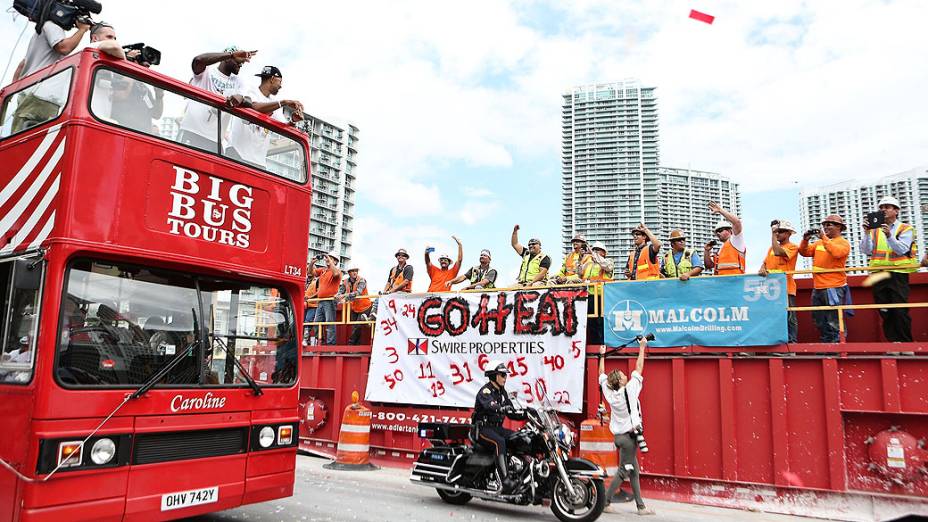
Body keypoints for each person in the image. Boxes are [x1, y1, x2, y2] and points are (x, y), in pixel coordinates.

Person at [598, 337, 655, 516]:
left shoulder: (610, 393)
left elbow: (601, 376)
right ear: (621, 381)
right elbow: (638, 368)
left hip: (620, 437)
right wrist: (642, 347)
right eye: (623, 375)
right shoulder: (629, 390)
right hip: (629, 438)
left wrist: (601, 356)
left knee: (633, 471)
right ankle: (604, 502)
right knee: (624, 471)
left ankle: (641, 507)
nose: (625, 374)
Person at [859, 196, 918, 342]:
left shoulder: (906, 228)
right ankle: (893, 342)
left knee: (899, 309)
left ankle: (905, 343)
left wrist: (889, 236)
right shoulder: (874, 230)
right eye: (881, 207)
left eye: (888, 207)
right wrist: (866, 233)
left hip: (898, 273)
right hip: (879, 273)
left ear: (896, 211)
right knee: (884, 309)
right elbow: (866, 250)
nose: (883, 209)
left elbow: (901, 249)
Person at [177, 46, 256, 151]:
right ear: (227, 59)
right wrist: (231, 55)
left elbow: (249, 102)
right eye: (238, 61)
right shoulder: (207, 72)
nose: (241, 64)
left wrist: (241, 98)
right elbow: (198, 60)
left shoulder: (239, 81)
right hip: (191, 131)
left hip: (214, 140)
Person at [224, 66, 305, 168]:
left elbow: (284, 127)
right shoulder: (250, 91)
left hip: (258, 161)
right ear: (272, 79)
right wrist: (284, 102)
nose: (281, 86)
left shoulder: (275, 104)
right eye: (280, 82)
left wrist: (293, 120)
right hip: (237, 153)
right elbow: (254, 107)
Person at [799, 215, 851, 343]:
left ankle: (838, 345)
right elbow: (804, 252)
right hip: (818, 287)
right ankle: (826, 345)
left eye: (829, 224)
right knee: (819, 319)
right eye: (825, 225)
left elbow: (836, 253)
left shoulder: (843, 243)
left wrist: (824, 238)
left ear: (839, 227)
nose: (826, 227)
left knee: (833, 319)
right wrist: (805, 240)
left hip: (833, 287)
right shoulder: (819, 243)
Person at [473, 361, 522, 493]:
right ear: (494, 375)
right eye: (502, 375)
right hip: (482, 430)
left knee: (519, 438)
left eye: (505, 375)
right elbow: (490, 405)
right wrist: (502, 408)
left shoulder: (502, 392)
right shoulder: (485, 391)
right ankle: (505, 481)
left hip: (497, 429)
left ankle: (519, 472)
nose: (505, 378)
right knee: (498, 442)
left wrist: (527, 413)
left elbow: (511, 411)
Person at [758, 220, 800, 343]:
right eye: (777, 231)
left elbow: (778, 252)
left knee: (789, 318)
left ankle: (791, 344)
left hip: (786, 289)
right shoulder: (771, 248)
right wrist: (762, 269)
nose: (778, 234)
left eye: (781, 232)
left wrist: (773, 235)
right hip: (771, 290)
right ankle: (776, 342)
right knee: (773, 317)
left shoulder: (792, 247)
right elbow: (765, 263)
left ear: (789, 233)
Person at [14, 17, 90, 81]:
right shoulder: (52, 26)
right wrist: (82, 29)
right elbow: (64, 48)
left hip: (27, 87)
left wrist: (11, 93)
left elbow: (22, 65)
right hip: (39, 90)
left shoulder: (41, 30)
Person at [582, 241, 614, 345]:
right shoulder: (589, 264)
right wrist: (581, 258)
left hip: (602, 296)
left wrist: (594, 254)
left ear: (604, 253)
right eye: (594, 250)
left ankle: (602, 344)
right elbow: (579, 273)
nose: (594, 252)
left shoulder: (608, 261)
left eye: (597, 250)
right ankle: (592, 344)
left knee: (601, 321)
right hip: (589, 296)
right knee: (590, 321)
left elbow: (607, 266)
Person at [703, 202, 746, 275]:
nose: (718, 233)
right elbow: (709, 266)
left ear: (729, 230)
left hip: (735, 281)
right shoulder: (721, 250)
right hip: (722, 283)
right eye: (716, 232)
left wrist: (720, 210)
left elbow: (737, 222)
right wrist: (706, 251)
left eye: (720, 230)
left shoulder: (736, 240)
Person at [335, 267, 372, 345]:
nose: (355, 273)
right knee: (355, 326)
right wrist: (337, 296)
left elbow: (358, 292)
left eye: (356, 271)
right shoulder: (345, 282)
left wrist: (344, 296)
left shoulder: (362, 280)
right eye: (352, 271)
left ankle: (351, 343)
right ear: (349, 273)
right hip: (355, 308)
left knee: (358, 326)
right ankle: (356, 345)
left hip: (365, 306)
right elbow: (340, 292)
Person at [312, 252, 342, 345]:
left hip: (330, 300)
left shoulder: (337, 271)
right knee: (316, 323)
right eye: (328, 258)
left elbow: (336, 273)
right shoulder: (323, 270)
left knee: (330, 323)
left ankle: (330, 345)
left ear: (336, 262)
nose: (328, 260)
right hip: (321, 301)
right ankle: (322, 342)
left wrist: (328, 259)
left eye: (332, 258)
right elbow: (310, 272)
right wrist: (312, 263)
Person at [303, 269, 319, 346]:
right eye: (307, 270)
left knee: (308, 321)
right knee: (303, 322)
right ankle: (305, 340)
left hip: (313, 305)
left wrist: (309, 297)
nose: (309, 272)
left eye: (311, 270)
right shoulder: (304, 280)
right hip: (304, 305)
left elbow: (319, 291)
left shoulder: (317, 281)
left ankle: (306, 339)